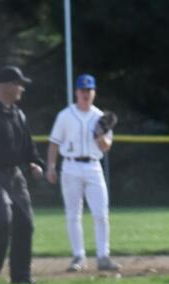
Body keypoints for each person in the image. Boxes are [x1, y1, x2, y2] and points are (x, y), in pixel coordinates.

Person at [0, 66, 44, 284]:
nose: (21, 88)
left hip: (14, 175)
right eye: (18, 84)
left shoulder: (18, 115)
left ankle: (21, 276)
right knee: (3, 220)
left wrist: (35, 163)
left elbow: (28, 148)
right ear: (6, 86)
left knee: (26, 222)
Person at [46, 74, 120, 273]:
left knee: (101, 213)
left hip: (94, 166)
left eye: (89, 90)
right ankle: (78, 256)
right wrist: (51, 166)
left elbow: (106, 147)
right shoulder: (65, 115)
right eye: (82, 90)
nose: (85, 94)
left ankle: (103, 256)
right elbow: (54, 142)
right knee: (73, 214)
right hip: (70, 166)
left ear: (94, 92)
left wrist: (100, 136)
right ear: (76, 92)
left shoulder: (100, 117)